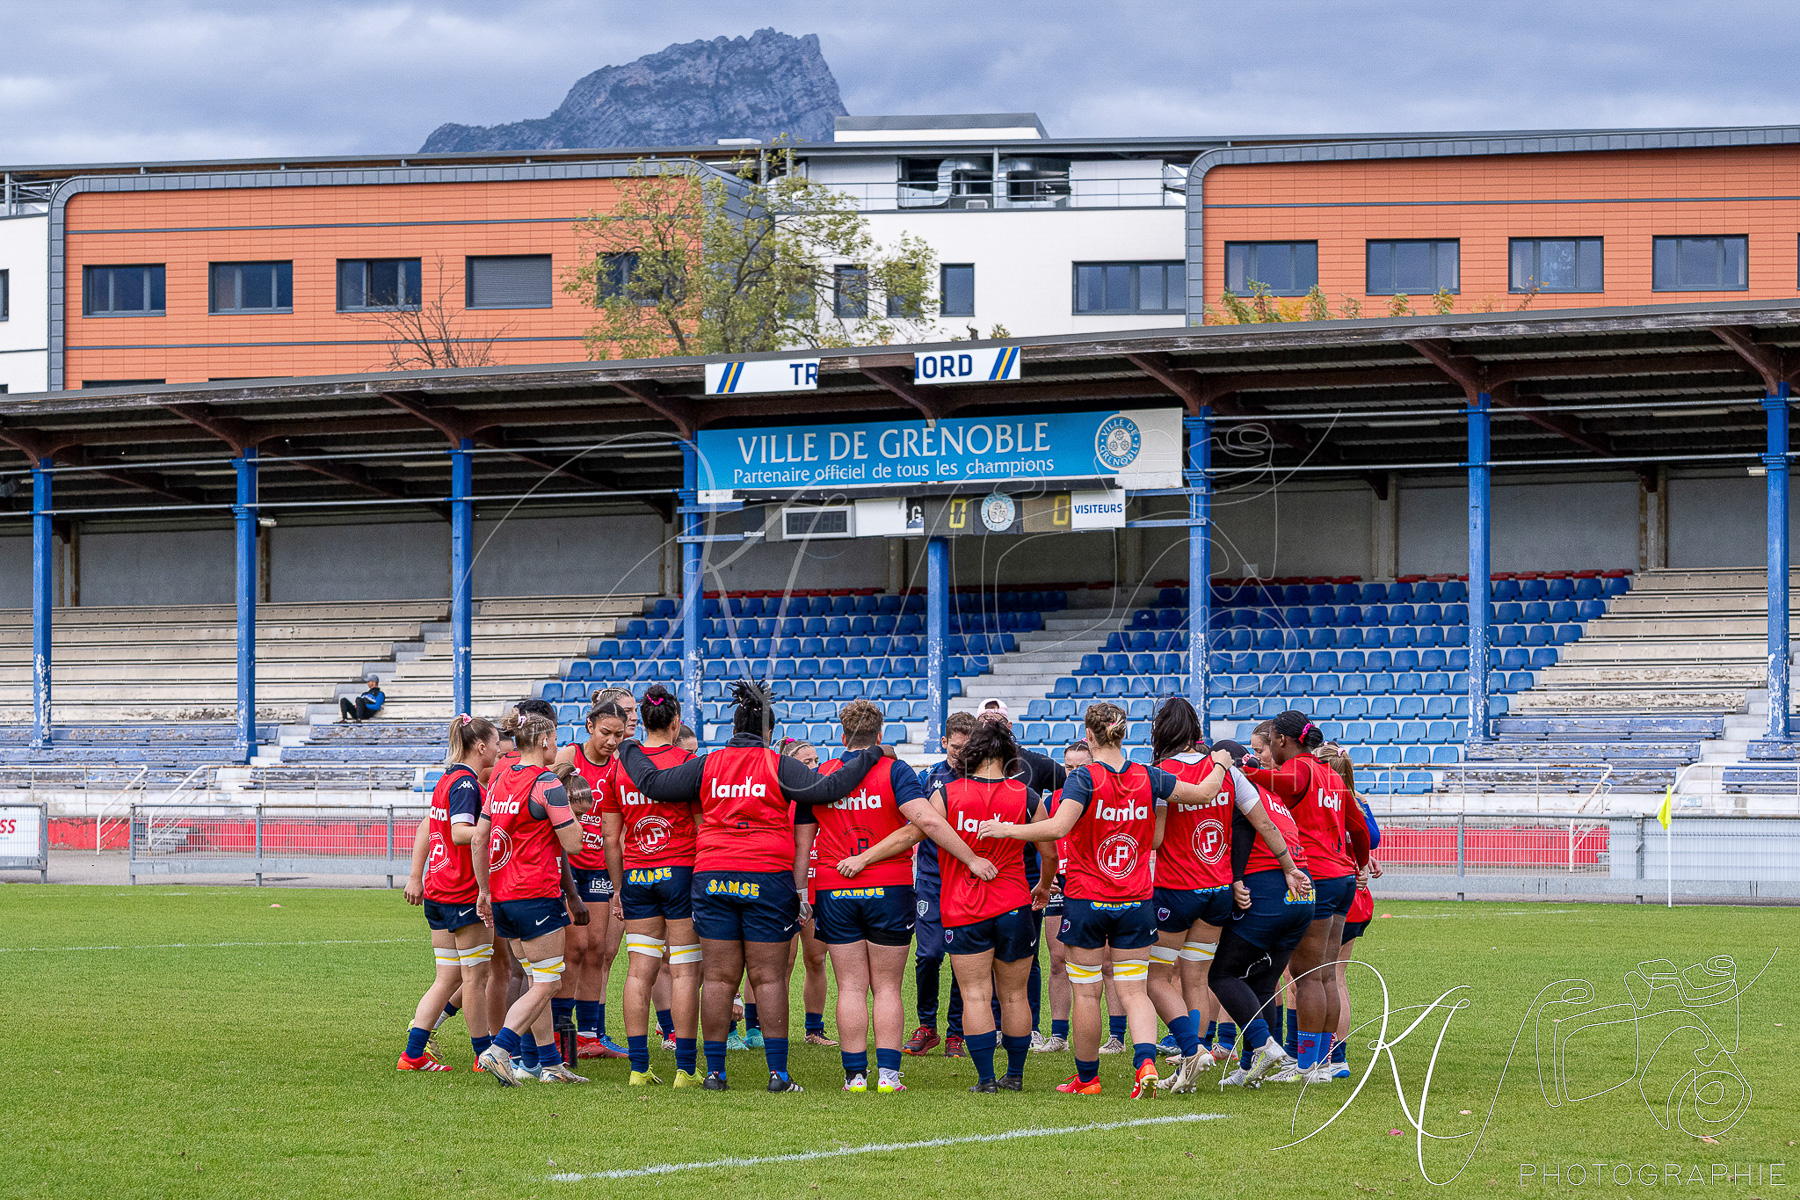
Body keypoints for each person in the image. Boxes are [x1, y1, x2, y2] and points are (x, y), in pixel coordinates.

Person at [616, 679, 888, 1093]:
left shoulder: (708, 763)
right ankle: (778, 1075)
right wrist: (869, 755)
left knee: (721, 979)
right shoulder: (777, 764)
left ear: (733, 725)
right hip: (766, 878)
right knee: (769, 979)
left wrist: (629, 748)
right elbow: (831, 788)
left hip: (712, 877)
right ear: (770, 733)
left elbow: (653, 784)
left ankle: (714, 1074)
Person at [978, 701, 1223, 1098]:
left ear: (1088, 736)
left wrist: (1004, 829)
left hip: (1087, 899)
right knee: (1133, 989)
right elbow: (1206, 792)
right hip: (1136, 900)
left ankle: (1088, 1079)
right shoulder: (1149, 775)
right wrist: (1222, 763)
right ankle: (1145, 1061)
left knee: (1087, 992)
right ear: (1123, 733)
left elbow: (1057, 827)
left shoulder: (1084, 779)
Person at [802, 699, 994, 1093]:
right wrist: (971, 857)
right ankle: (888, 1075)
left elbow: (802, 840)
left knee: (850, 986)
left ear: (841, 735)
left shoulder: (822, 774)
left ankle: (855, 1076)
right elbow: (925, 820)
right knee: (887, 986)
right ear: (881, 735)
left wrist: (801, 889)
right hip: (888, 888)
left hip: (835, 886)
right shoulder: (894, 770)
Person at [1240, 711, 1371, 1083]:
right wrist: (1359, 865)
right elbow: (1358, 827)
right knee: (1326, 977)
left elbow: (1271, 780)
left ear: (1282, 740)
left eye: (1271, 744)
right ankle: (1325, 1062)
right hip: (1343, 877)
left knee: (1307, 977)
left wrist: (1239, 771)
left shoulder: (1302, 768)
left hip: (1318, 877)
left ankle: (1307, 1066)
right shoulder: (1332, 775)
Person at [935, 717, 1055, 1092]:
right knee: (1015, 994)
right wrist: (1044, 887)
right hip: (1014, 903)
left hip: (964, 905)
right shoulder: (1027, 796)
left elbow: (923, 832)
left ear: (973, 752)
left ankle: (986, 1079)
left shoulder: (948, 793)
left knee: (975, 995)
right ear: (1009, 756)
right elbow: (1049, 853)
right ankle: (1015, 1076)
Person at [472, 713, 588, 1085]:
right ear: (541, 742)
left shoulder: (501, 778)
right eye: (553, 739)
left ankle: (550, 1065)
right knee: (549, 982)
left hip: (503, 895)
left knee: (538, 977)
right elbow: (574, 843)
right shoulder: (547, 782)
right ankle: (500, 1049)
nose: (556, 746)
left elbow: (479, 839)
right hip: (536, 893)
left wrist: (484, 891)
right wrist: (575, 812)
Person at [600, 684, 703, 1086]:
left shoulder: (619, 767)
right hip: (680, 871)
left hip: (637, 876)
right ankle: (685, 1069)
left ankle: (639, 1069)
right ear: (676, 723)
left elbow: (611, 838)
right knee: (683, 971)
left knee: (639, 972)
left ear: (640, 722)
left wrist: (619, 887)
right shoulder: (689, 762)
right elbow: (699, 824)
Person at [1205, 739, 1318, 1088]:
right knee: (1263, 983)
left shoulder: (1242, 790)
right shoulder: (1274, 797)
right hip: (1301, 893)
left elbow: (1241, 832)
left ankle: (1263, 1047)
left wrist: (1236, 878)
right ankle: (1250, 1068)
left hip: (1267, 891)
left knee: (1221, 975)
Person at [1144, 696, 1237, 1092]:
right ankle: (1192, 1063)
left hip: (1177, 889)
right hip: (1218, 886)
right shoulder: (1225, 771)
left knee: (1157, 980)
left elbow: (1158, 838)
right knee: (1197, 979)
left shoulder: (1162, 773)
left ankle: (1190, 1048)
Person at [398, 714, 500, 1073]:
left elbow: (430, 824)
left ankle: (412, 1054)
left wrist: (417, 875)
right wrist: (494, 834)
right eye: (497, 742)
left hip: (439, 890)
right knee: (475, 978)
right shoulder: (468, 785)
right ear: (482, 746)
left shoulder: (448, 778)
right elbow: (460, 832)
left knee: (449, 977)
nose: (501, 748)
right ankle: (483, 1055)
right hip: (462, 892)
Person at [553, 698, 629, 1060]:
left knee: (596, 948)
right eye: (605, 733)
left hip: (598, 867)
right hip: (566, 866)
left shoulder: (620, 767)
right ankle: (558, 1030)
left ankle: (587, 1036)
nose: (612, 741)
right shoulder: (570, 756)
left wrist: (618, 884)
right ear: (589, 727)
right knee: (574, 948)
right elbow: (545, 795)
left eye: (618, 734)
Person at [904, 711, 977, 1059]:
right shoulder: (927, 777)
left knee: (965, 957)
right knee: (929, 954)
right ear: (945, 742)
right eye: (956, 747)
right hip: (932, 879)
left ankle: (956, 1034)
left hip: (968, 879)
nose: (962, 754)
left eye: (968, 747)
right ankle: (927, 1026)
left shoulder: (984, 779)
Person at [778, 737, 836, 1050]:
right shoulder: (780, 800)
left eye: (816, 760)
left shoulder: (823, 798)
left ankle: (814, 1029)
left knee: (816, 959)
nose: (814, 767)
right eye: (806, 762)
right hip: (784, 891)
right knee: (779, 964)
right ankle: (768, 1027)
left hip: (815, 891)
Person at [1036, 740, 1091, 1053]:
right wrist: (1047, 874)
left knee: (1107, 965)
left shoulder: (1102, 797)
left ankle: (1116, 1036)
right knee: (1058, 961)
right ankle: (1058, 1036)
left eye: (1080, 767)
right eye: (1068, 767)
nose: (1073, 773)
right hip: (1059, 884)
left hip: (1091, 885)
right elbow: (1042, 839)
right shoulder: (1053, 798)